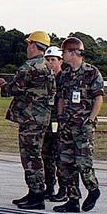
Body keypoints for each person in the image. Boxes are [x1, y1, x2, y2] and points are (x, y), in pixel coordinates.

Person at [0, 31, 55, 209]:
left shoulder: (29, 67)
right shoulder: (46, 67)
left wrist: (1, 84)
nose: (27, 48)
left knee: (30, 156)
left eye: (28, 44)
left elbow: (14, 89)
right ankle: (34, 191)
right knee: (35, 154)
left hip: (30, 118)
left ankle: (37, 194)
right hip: (41, 117)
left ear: (33, 45)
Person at [53, 36, 105, 213]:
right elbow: (60, 97)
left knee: (83, 162)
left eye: (65, 52)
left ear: (73, 52)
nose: (63, 56)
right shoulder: (65, 74)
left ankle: (93, 189)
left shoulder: (92, 72)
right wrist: (60, 118)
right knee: (65, 163)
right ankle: (73, 199)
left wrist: (90, 119)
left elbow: (98, 98)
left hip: (83, 126)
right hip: (67, 124)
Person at [42, 44, 67, 201]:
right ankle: (49, 187)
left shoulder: (64, 78)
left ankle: (64, 189)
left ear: (60, 61)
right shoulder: (46, 79)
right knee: (46, 155)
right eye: (48, 59)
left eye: (53, 59)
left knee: (60, 157)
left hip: (59, 122)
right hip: (46, 122)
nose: (50, 62)